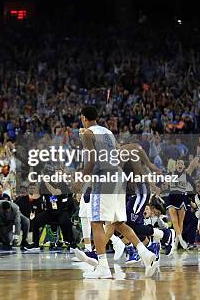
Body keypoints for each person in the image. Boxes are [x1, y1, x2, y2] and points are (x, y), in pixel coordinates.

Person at [75, 105, 157, 279]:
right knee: (118, 222)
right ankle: (144, 253)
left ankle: (103, 267)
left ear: (83, 118)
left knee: (96, 222)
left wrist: (80, 180)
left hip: (103, 178)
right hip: (118, 177)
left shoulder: (87, 134)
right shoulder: (108, 132)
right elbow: (119, 153)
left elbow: (90, 162)